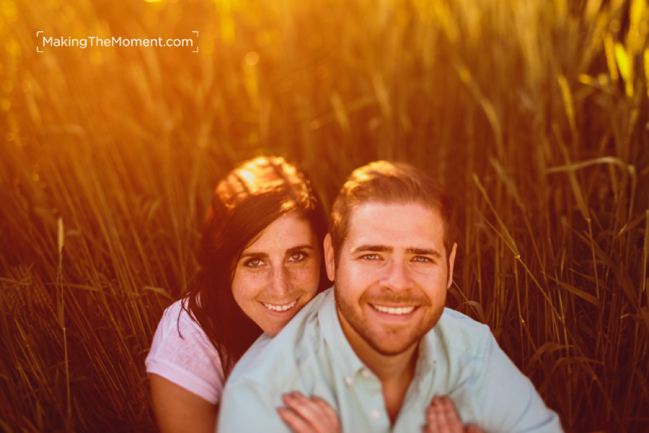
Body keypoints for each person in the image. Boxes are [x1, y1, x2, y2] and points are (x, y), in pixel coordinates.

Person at [217, 161, 563, 433]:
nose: (397, 283)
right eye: (372, 256)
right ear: (332, 258)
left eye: (421, 258)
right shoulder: (265, 395)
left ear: (450, 267)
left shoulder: (469, 350)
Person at [145, 156, 328, 433]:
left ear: (326, 255)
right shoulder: (189, 337)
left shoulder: (346, 308)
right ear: (224, 264)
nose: (280, 287)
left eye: (297, 256)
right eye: (255, 262)